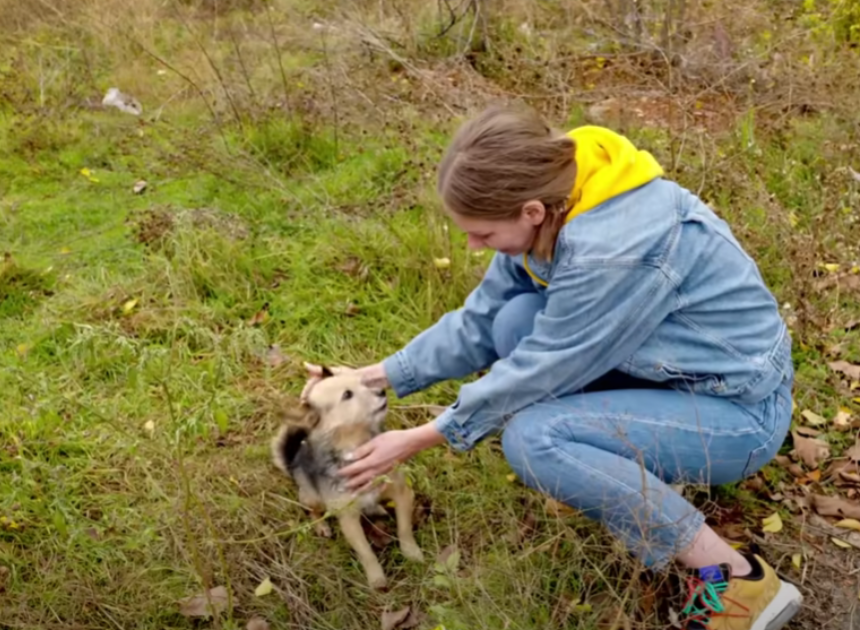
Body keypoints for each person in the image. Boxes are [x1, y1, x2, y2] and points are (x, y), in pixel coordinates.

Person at [322, 103, 801, 630]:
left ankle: (737, 578)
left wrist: (425, 434)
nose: (473, 245)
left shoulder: (610, 250)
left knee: (533, 439)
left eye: (481, 234)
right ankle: (615, 477)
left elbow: (544, 367)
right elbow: (481, 320)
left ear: (530, 212)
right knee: (513, 321)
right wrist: (373, 376)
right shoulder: (561, 192)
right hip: (674, 377)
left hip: (738, 415)